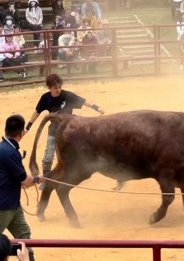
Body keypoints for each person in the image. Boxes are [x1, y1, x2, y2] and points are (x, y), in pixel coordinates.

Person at [25, 74, 105, 180]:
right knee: (48, 157)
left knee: (75, 153)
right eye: (55, 88)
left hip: (69, 132)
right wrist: (28, 126)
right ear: (49, 88)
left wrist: (97, 108)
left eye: (59, 87)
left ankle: (77, 173)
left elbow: (83, 101)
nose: (58, 90)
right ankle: (46, 179)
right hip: (54, 130)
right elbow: (37, 112)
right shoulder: (45, 98)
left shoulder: (67, 95)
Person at [0, 114, 46, 261]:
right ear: (21, 133)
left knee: (24, 235)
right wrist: (38, 179)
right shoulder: (10, 152)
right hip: (4, 207)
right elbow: (25, 181)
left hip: (13, 205)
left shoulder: (4, 148)